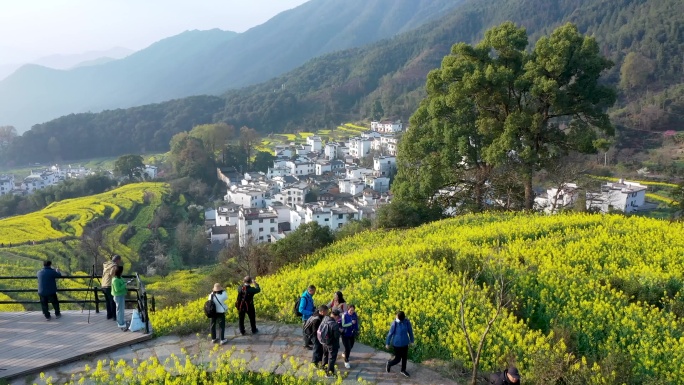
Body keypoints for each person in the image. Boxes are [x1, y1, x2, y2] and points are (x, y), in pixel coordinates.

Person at [385, 310, 414, 378]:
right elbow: (390, 334)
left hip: (405, 343)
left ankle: (403, 370)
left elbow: (410, 332)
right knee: (398, 359)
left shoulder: (406, 322)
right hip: (397, 344)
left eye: (397, 316)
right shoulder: (394, 324)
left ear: (401, 317)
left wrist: (412, 340)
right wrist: (387, 343)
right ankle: (389, 364)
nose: (396, 317)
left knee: (404, 358)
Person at [320, 308, 342, 378]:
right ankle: (329, 373)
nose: (338, 318)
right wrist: (340, 331)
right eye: (338, 317)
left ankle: (323, 367)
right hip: (332, 344)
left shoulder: (325, 318)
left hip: (324, 342)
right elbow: (336, 336)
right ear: (336, 316)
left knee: (325, 355)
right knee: (332, 358)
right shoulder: (334, 324)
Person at [101, 255, 122, 321]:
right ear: (117, 260)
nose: (119, 262)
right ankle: (114, 316)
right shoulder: (114, 266)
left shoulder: (107, 265)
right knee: (112, 301)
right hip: (109, 285)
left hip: (103, 285)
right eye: (119, 261)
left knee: (108, 301)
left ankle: (109, 315)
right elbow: (113, 275)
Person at [340, 304, 359, 369]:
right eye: (351, 310)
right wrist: (351, 323)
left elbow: (356, 322)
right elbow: (343, 325)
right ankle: (346, 361)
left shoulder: (354, 314)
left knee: (351, 345)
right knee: (348, 347)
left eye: (353, 310)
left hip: (352, 333)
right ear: (348, 309)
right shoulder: (344, 315)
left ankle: (345, 353)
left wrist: (357, 329)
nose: (352, 312)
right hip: (345, 334)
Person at [299, 284, 316, 349]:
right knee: (306, 331)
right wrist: (311, 313)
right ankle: (305, 345)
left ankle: (308, 342)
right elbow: (301, 309)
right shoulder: (304, 298)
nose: (314, 293)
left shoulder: (309, 295)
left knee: (309, 331)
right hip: (306, 318)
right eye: (314, 291)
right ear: (310, 290)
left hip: (309, 317)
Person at [111, 265, 128, 331]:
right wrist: (125, 285)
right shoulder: (115, 280)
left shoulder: (119, 278)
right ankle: (120, 323)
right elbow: (117, 289)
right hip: (118, 296)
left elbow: (122, 282)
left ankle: (121, 321)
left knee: (121, 310)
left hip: (121, 295)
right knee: (120, 310)